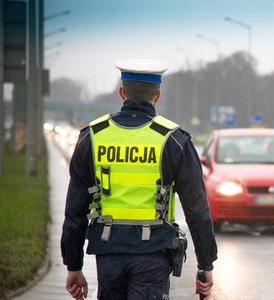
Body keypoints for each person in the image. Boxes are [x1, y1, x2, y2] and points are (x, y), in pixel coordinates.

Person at [60, 58, 217, 299]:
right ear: (158, 95)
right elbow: (197, 210)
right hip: (153, 254)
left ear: (121, 92)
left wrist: (73, 265)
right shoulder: (174, 140)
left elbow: (74, 209)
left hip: (108, 250)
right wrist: (205, 265)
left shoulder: (92, 136)